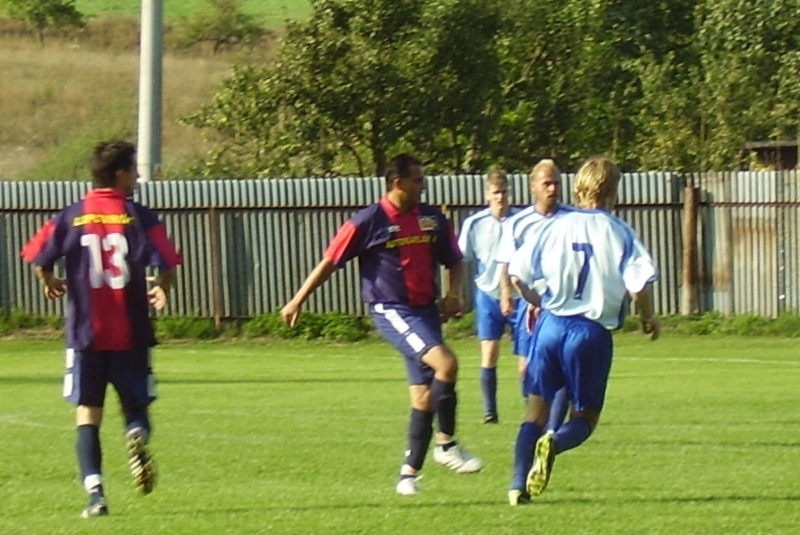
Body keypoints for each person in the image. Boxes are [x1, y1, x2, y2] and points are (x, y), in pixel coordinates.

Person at [281, 153, 482, 496]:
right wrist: (298, 299)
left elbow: (454, 259)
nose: (423, 187)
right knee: (447, 364)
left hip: (425, 313)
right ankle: (446, 445)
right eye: (417, 180)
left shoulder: (432, 218)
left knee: (422, 398)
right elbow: (330, 260)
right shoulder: (367, 221)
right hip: (391, 310)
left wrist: (452, 294)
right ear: (397, 183)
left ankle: (408, 475)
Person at [20, 140, 183, 518]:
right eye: (134, 169)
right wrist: (163, 285)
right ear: (119, 174)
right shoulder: (140, 216)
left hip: (85, 335)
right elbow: (168, 260)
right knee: (135, 407)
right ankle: (136, 435)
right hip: (131, 334)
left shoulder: (71, 215)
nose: (138, 176)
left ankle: (96, 496)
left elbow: (36, 254)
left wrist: (49, 279)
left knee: (87, 414)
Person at [505, 156, 660, 505]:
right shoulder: (619, 231)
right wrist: (647, 317)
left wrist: (536, 301)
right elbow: (639, 285)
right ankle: (555, 443)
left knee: (535, 411)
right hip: (589, 332)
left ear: (577, 188)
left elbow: (516, 274)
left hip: (550, 326)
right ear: (614, 192)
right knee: (586, 416)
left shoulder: (552, 226)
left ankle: (517, 485)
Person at [496, 159, 574, 429]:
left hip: (561, 305)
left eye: (556, 183)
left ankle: (551, 427)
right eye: (547, 184)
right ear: (533, 187)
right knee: (526, 367)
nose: (553, 189)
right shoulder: (519, 223)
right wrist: (506, 295)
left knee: (562, 367)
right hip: (528, 303)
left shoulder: (572, 218)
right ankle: (537, 415)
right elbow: (506, 263)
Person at [457, 170, 521, 424]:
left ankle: (533, 407)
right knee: (489, 353)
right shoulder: (475, 224)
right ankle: (490, 411)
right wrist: (455, 294)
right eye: (496, 192)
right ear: (487, 194)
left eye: (504, 192)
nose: (501, 197)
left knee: (526, 360)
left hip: (520, 296)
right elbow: (461, 259)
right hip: (487, 294)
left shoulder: (522, 220)